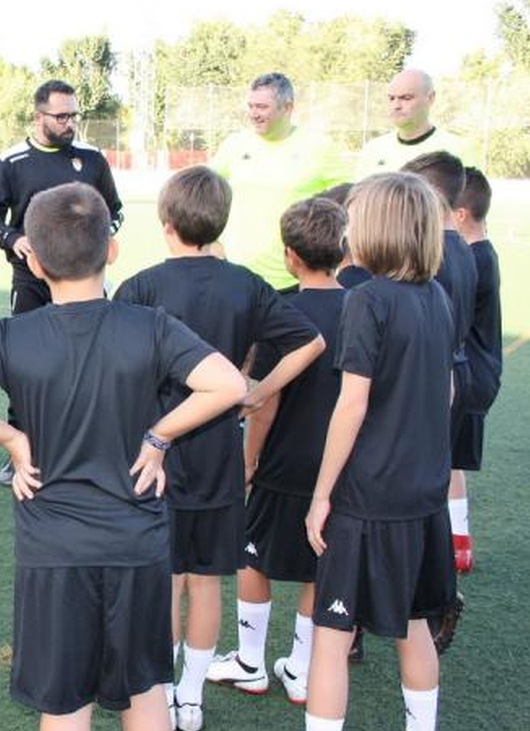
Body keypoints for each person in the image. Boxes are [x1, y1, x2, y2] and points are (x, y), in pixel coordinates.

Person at [0, 181, 248, 731]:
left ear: (35, 259)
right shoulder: (150, 326)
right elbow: (228, 384)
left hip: (54, 550)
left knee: (66, 704)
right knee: (145, 695)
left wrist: (11, 438)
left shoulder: (11, 336)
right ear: (112, 251)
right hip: (136, 545)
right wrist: (159, 436)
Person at [113, 166, 324, 731]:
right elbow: (312, 340)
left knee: (166, 580)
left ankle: (161, 694)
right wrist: (255, 393)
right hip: (217, 455)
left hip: (156, 451)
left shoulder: (141, 285)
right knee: (204, 580)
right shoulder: (246, 284)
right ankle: (190, 697)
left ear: (165, 223)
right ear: (220, 221)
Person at [302, 172, 458, 731]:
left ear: (375, 229)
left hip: (367, 498)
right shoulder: (436, 296)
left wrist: (321, 495)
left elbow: (352, 405)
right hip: (423, 493)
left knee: (331, 636)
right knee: (414, 624)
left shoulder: (367, 301)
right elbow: (446, 390)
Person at [205, 197, 349, 706]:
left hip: (282, 462)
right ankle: (304, 670)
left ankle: (250, 661)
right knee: (319, 561)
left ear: (290, 255)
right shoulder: (361, 307)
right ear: (343, 248)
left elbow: (265, 402)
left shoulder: (282, 313)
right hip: (338, 466)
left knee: (252, 555)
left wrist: (248, 463)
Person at [0, 79, 124, 484]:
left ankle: (92, 438)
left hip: (84, 277)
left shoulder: (92, 159)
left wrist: (99, 236)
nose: (69, 123)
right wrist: (14, 239)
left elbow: (115, 211)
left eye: (73, 115)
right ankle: (20, 443)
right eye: (60, 116)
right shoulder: (11, 161)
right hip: (32, 277)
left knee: (91, 356)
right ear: (38, 115)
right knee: (25, 358)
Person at [400, 151, 478, 575]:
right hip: (452, 370)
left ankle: (431, 583)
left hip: (436, 378)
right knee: (437, 471)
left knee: (422, 479)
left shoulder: (438, 257)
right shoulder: (462, 248)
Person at [210, 73, 349, 292]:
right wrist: (213, 243)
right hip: (236, 277)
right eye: (251, 106)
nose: (254, 114)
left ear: (287, 107)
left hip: (296, 281)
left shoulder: (319, 147)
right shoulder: (234, 145)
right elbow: (202, 194)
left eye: (262, 107)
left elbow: (351, 198)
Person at [449, 167, 503, 572]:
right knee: (452, 461)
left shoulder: (471, 259)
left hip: (469, 374)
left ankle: (451, 544)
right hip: (480, 372)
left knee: (442, 460)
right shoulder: (483, 254)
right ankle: (459, 542)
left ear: (461, 213)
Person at [355, 70, 474, 177]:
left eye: (406, 98)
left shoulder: (456, 149)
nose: (396, 106)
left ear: (430, 98)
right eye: (391, 98)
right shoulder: (373, 149)